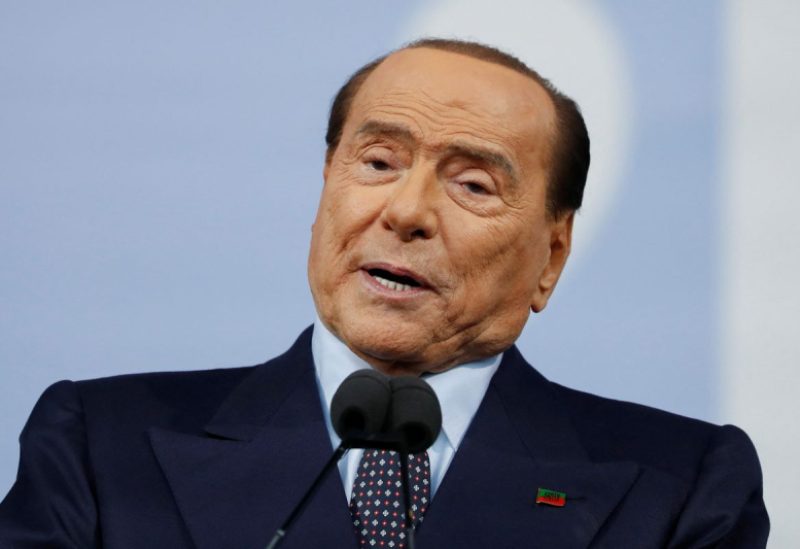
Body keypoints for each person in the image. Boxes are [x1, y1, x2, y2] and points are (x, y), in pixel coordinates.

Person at [0, 38, 768, 548]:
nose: (403, 211)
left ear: (552, 255)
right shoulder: (100, 448)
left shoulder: (684, 487)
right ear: (324, 187)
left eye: (471, 183)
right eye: (376, 162)